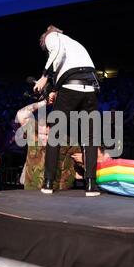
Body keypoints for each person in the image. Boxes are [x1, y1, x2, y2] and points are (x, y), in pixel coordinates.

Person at [33, 25, 100, 196]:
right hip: (91, 89)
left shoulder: (52, 37)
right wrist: (55, 89)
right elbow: (67, 67)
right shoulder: (74, 45)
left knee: (55, 134)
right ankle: (91, 184)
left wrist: (43, 77)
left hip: (71, 87)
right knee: (90, 137)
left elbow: (56, 52)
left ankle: (48, 183)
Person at [16, 94, 79, 190]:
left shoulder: (67, 141)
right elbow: (21, 114)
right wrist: (45, 102)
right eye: (42, 134)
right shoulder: (33, 134)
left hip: (58, 191)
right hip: (32, 189)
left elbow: (81, 159)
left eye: (47, 135)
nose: (44, 138)